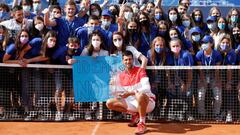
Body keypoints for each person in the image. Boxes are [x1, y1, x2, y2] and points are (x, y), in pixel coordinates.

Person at [106, 50, 155, 134]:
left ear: (133, 60)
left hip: (148, 103)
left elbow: (147, 88)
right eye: (126, 60)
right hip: (132, 103)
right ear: (123, 61)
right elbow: (115, 93)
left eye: (130, 59)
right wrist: (112, 86)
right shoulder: (120, 75)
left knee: (140, 95)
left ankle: (142, 123)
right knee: (109, 103)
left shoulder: (140, 70)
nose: (128, 61)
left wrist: (130, 93)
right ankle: (135, 114)